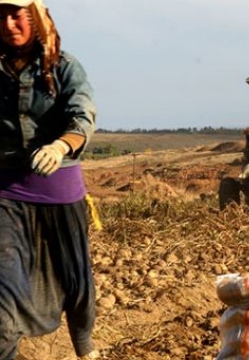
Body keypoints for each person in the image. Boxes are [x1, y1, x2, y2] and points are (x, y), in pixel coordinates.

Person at [0, 0, 98, 359]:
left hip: (60, 192)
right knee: (3, 289)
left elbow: (82, 116)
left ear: (37, 19)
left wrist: (60, 146)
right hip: (6, 194)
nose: (10, 24)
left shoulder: (64, 67)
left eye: (17, 15)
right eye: (2, 16)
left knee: (77, 284)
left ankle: (86, 350)